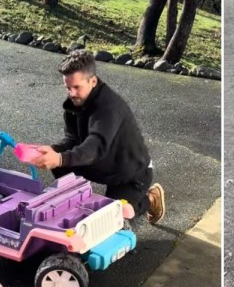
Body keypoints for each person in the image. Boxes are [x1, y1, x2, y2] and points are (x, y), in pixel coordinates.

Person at [32, 50, 165, 224]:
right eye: (67, 87)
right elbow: (73, 140)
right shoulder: (75, 104)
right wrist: (52, 151)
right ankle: (73, 206)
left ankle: (151, 199)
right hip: (103, 164)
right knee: (59, 163)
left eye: (76, 87)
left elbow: (96, 146)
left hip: (131, 171)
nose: (71, 93)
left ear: (93, 81)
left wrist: (60, 158)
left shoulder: (109, 108)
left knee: (117, 215)